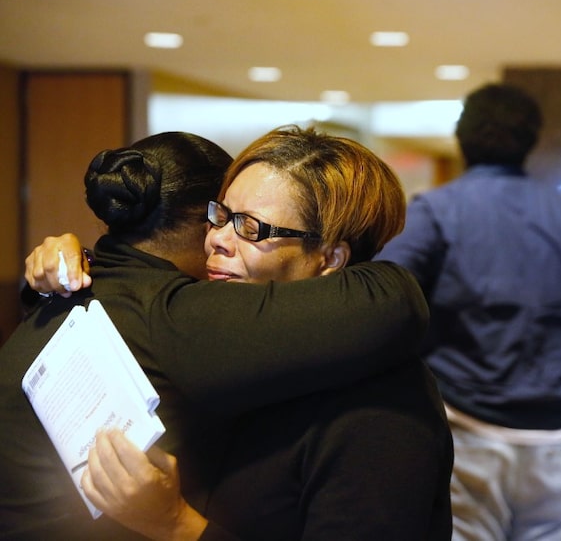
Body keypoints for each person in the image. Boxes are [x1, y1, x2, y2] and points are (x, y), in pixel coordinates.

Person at [4, 129, 448, 540]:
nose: (217, 239)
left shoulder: (379, 404)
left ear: (330, 258)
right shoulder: (236, 350)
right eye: (220, 215)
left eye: (250, 228)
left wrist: (176, 524)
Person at [374, 83, 561, 541]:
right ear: (531, 141)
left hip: (467, 430)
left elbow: (380, 291)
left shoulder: (438, 210)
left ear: (462, 137)